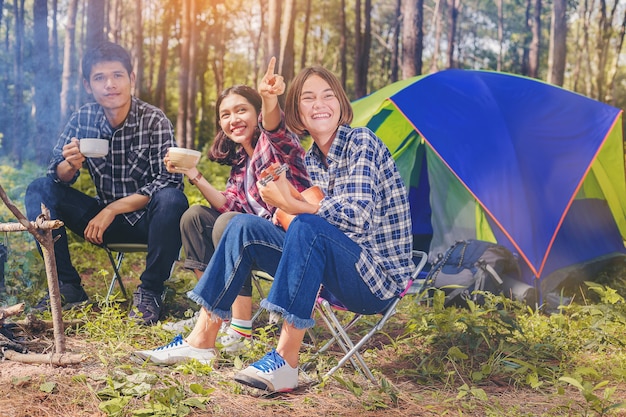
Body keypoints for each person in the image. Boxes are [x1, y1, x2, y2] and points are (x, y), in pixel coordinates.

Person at [133, 66, 412, 393]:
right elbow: (284, 192)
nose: (318, 104)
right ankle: (201, 340)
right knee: (240, 225)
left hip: (373, 281)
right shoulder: (312, 159)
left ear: (341, 103)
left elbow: (357, 216)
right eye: (308, 98)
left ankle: (286, 361)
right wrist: (288, 201)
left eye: (327, 95)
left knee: (309, 225)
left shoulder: (360, 141)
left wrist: (295, 205)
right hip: (329, 269)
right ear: (298, 113)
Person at [24, 41, 188, 325]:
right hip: (102, 225)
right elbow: (56, 173)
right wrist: (70, 164)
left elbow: (168, 179)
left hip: (151, 224)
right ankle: (67, 286)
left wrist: (111, 209)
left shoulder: (153, 119)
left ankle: (150, 291)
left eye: (117, 75)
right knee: (39, 188)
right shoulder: (83, 118)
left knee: (172, 198)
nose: (109, 85)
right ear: (88, 85)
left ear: (131, 79)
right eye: (100, 78)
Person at [160, 58, 311, 352]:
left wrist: (269, 98)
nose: (234, 119)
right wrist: (194, 175)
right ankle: (215, 315)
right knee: (194, 217)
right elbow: (229, 202)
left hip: (293, 246)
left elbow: (275, 125)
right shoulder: (240, 161)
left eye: (241, 110)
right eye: (226, 114)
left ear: (257, 113)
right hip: (254, 239)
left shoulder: (277, 143)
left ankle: (240, 330)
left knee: (230, 223)